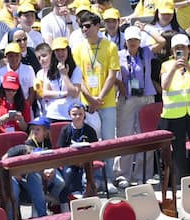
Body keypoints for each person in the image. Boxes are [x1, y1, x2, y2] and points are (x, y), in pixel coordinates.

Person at [73, 9, 120, 191]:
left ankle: (109, 179)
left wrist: (99, 98)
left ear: (96, 26)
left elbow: (112, 74)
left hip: (106, 102)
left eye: (87, 26)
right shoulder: (78, 49)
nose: (84, 29)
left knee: (108, 141)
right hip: (87, 103)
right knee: (89, 143)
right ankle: (91, 180)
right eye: (81, 26)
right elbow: (79, 78)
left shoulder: (110, 47)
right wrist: (90, 99)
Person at [161, 33, 190, 188]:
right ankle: (181, 180)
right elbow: (164, 86)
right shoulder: (166, 65)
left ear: (188, 49)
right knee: (178, 149)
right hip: (174, 114)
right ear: (172, 51)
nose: (180, 51)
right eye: (176, 48)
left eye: (183, 48)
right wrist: (174, 68)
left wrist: (189, 69)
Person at [115, 26, 158, 186]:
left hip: (145, 96)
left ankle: (144, 175)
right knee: (125, 135)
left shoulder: (145, 52)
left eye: (136, 39)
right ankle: (123, 175)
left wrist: (145, 27)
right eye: (130, 39)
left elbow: (161, 41)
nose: (133, 42)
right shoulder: (119, 55)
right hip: (127, 98)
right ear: (125, 41)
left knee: (146, 136)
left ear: (140, 41)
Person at [56, 102, 99, 203]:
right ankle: (66, 200)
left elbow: (96, 148)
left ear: (84, 114)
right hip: (69, 161)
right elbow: (61, 149)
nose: (78, 116)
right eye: (74, 114)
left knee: (87, 178)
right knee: (68, 173)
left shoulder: (90, 130)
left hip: (86, 161)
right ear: (69, 115)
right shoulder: (65, 130)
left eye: (80, 114)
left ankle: (87, 200)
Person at [43, 37, 81, 122]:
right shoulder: (49, 70)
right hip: (52, 114)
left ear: (68, 50)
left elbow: (74, 93)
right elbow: (45, 93)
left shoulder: (76, 69)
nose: (60, 53)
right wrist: (62, 94)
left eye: (63, 50)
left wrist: (64, 75)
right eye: (57, 50)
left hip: (69, 115)